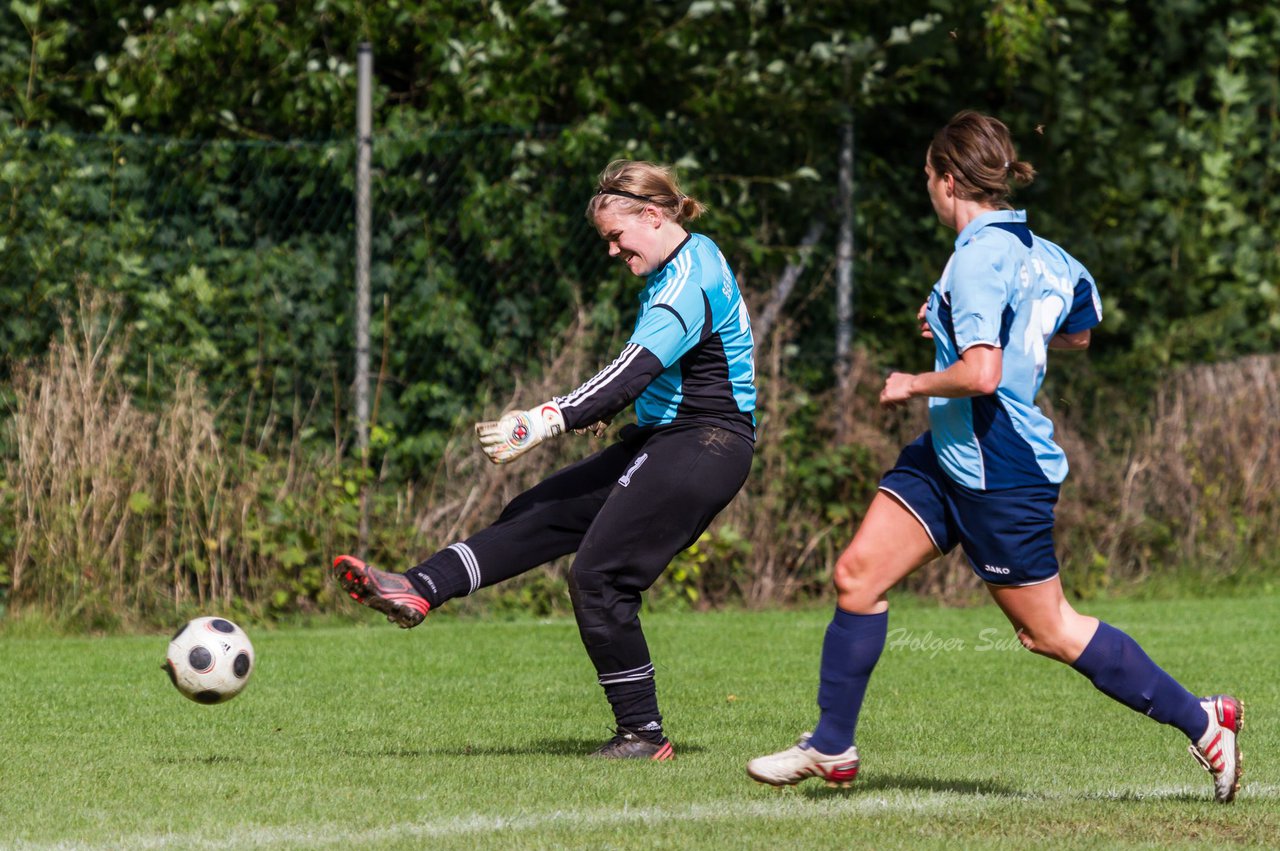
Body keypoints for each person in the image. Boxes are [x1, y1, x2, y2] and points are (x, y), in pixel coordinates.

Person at [745, 111, 1244, 802]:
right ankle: (832, 746)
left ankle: (1204, 723)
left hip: (998, 465)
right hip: (948, 453)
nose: (926, 187)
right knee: (857, 575)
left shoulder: (978, 255)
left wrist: (913, 380)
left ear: (948, 179)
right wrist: (951, 317)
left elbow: (982, 374)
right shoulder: (1044, 253)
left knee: (1050, 632)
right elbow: (1077, 331)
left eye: (927, 176)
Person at [334, 160, 757, 761]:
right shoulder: (680, 270)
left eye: (617, 237)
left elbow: (634, 367)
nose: (612, 251)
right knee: (537, 510)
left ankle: (642, 734)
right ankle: (418, 587)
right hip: (670, 438)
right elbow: (660, 372)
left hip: (707, 443)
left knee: (599, 575)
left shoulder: (691, 275)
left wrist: (546, 418)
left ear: (653, 216)